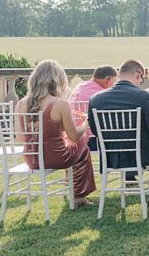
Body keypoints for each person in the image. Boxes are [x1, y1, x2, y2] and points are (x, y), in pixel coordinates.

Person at [88, 59, 149, 206]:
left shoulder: (96, 99)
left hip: (111, 157)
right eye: (142, 79)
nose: (141, 83)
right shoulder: (144, 97)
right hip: (141, 156)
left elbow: (95, 130)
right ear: (138, 74)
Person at [15, 60, 96, 206]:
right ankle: (78, 196)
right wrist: (85, 123)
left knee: (72, 143)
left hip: (31, 159)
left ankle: (73, 186)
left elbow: (20, 137)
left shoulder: (21, 103)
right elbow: (74, 136)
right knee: (83, 141)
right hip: (57, 157)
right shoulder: (60, 103)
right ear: (58, 80)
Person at [70, 65, 117, 150]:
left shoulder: (80, 86)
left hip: (75, 134)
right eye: (114, 81)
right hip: (94, 137)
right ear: (108, 80)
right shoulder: (101, 95)